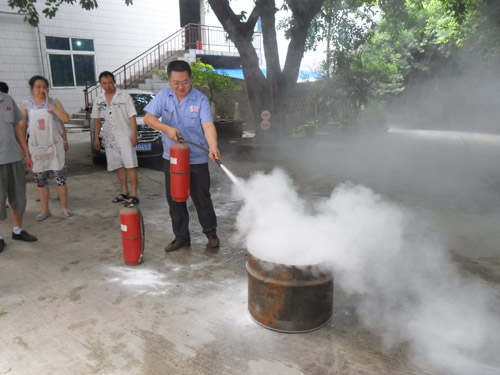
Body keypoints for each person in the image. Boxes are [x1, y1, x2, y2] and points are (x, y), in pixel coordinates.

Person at [144, 60, 220, 252]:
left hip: (196, 158)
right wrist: (166, 128)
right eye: (176, 83)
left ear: (190, 79)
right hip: (173, 159)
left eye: (185, 82)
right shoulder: (164, 95)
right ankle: (181, 238)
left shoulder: (200, 99)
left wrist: (213, 146)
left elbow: (208, 125)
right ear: (169, 80)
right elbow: (148, 118)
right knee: (175, 199)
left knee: (202, 198)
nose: (181, 87)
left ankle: (211, 233)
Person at [19, 75, 72, 221]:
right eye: (38, 87)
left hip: (54, 147)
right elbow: (22, 127)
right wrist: (25, 151)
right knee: (41, 181)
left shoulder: (55, 102)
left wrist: (51, 105)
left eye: (44, 87)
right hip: (37, 149)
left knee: (60, 179)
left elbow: (65, 119)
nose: (42, 90)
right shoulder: (25, 104)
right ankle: (45, 210)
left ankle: (65, 208)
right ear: (31, 89)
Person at [91, 71, 139, 204]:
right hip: (109, 138)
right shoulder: (99, 100)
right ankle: (124, 192)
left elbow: (132, 116)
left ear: (114, 82)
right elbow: (96, 120)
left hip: (125, 137)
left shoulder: (124, 97)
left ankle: (134, 193)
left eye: (110, 83)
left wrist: (134, 134)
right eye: (104, 83)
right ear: (100, 84)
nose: (108, 86)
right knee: (119, 166)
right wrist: (96, 138)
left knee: (130, 165)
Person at [0, 89, 38, 252]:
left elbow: (17, 128)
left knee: (19, 197)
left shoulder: (7, 99)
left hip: (14, 158)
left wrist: (26, 152)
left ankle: (17, 230)